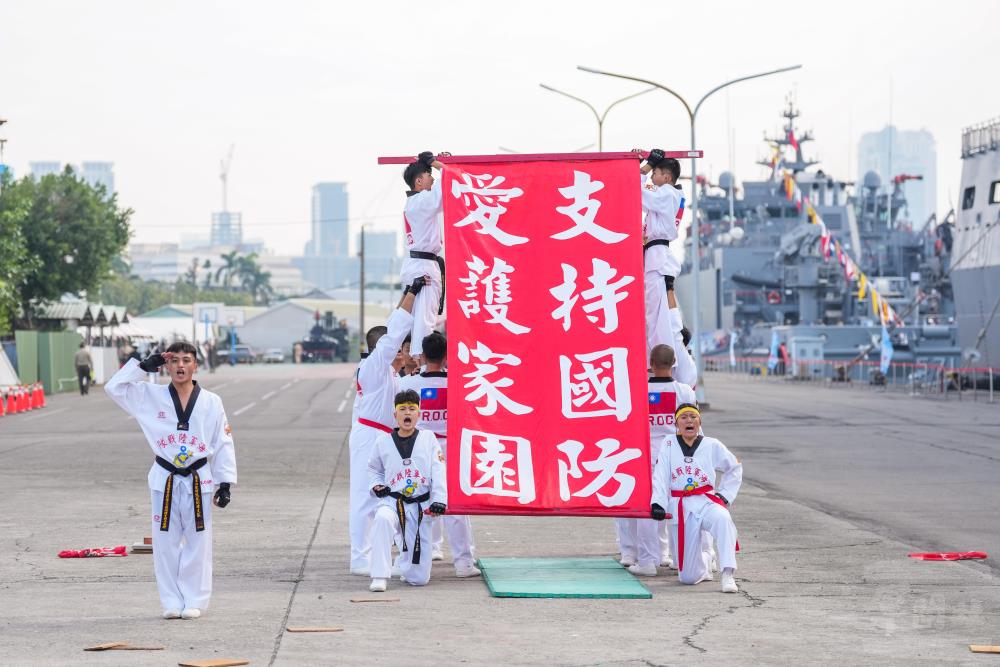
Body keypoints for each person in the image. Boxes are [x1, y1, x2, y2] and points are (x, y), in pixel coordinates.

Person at [104, 341, 237, 618]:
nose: (180, 366)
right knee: (165, 542)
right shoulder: (149, 396)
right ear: (166, 365)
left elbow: (223, 441)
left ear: (196, 365)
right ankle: (171, 602)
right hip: (165, 477)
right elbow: (113, 388)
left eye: (186, 360)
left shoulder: (212, 401)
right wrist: (141, 368)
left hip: (199, 477)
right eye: (174, 360)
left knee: (198, 541)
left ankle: (194, 601)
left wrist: (225, 483)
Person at [348, 278, 426, 575]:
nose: (402, 353)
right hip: (370, 435)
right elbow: (393, 334)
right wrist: (412, 293)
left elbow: (394, 333)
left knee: (389, 492)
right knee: (364, 495)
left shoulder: (388, 372)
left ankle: (381, 551)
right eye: (397, 349)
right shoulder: (375, 366)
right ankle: (359, 558)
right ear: (384, 348)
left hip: (383, 435)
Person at [399, 332, 479, 577]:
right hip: (450, 449)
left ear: (421, 356)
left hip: (418, 449)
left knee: (415, 505)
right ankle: (463, 563)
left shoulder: (407, 384)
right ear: (446, 356)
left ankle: (413, 562)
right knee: (454, 507)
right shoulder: (459, 382)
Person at [622, 344, 696, 577]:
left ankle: (647, 560)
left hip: (645, 455)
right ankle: (676, 557)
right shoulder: (685, 392)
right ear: (674, 363)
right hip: (675, 454)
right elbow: (692, 423)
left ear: (651, 365)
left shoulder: (636, 391)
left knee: (647, 508)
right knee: (677, 507)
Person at [651, 404, 741, 593]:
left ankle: (728, 574)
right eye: (684, 418)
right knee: (688, 577)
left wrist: (724, 495)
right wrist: (658, 503)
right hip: (681, 506)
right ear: (676, 424)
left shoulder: (712, 444)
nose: (689, 420)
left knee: (723, 519)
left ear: (700, 422)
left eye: (693, 417)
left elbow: (734, 467)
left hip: (706, 500)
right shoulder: (668, 443)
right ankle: (707, 558)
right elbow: (660, 474)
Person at [367, 389, 448, 592]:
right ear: (395, 415)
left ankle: (404, 561)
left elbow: (438, 470)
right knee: (382, 519)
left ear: (418, 414)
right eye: (402, 409)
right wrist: (376, 485)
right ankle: (379, 575)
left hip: (420, 505)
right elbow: (373, 469)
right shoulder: (382, 441)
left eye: (412, 409)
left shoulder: (428, 438)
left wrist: (439, 500)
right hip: (393, 502)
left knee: (419, 579)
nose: (407, 413)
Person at [400, 151, 449, 360]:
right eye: (430, 175)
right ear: (419, 181)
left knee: (420, 319)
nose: (433, 178)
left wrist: (436, 162)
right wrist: (436, 162)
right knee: (424, 321)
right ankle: (423, 365)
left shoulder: (415, 203)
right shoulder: (421, 201)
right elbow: (450, 178)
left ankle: (419, 363)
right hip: (423, 265)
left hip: (418, 263)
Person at [638, 149, 684, 355]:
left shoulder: (666, 193)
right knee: (656, 313)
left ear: (666, 177)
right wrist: (642, 166)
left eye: (655, 172)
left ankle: (660, 358)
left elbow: (636, 191)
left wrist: (644, 167)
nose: (652, 176)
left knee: (656, 314)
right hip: (656, 252)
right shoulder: (667, 194)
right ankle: (660, 357)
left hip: (657, 254)